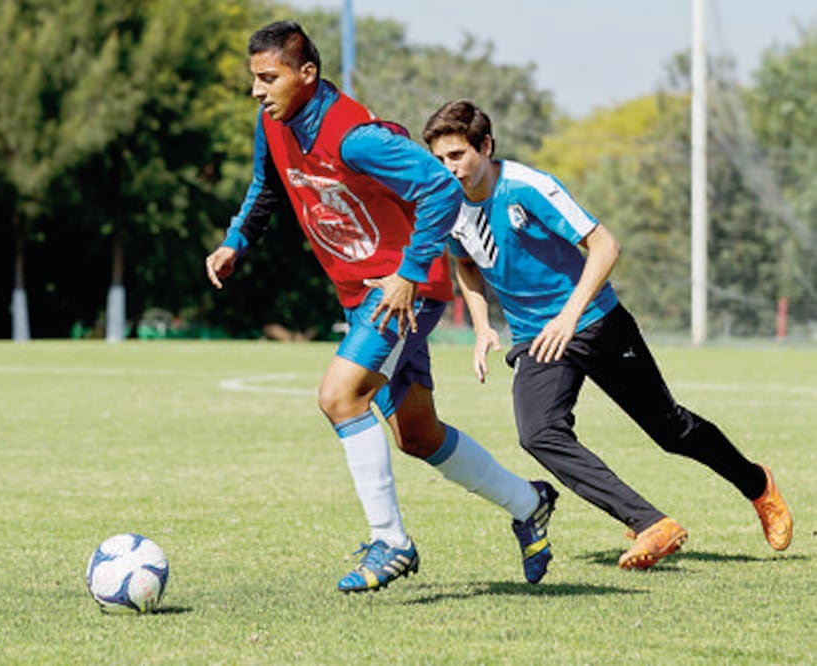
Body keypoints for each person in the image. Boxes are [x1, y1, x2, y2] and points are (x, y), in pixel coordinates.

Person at [205, 22, 558, 592]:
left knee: (339, 396)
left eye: (268, 78)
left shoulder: (355, 136)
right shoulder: (273, 123)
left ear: (306, 74)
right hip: (366, 290)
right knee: (418, 436)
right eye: (254, 79)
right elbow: (265, 187)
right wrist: (234, 242)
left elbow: (441, 190)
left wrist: (409, 274)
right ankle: (528, 503)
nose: (257, 90)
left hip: (401, 288)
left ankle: (390, 540)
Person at [421, 99, 793, 570]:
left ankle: (757, 485)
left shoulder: (528, 187)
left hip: (595, 320)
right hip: (539, 339)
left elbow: (604, 245)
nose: (448, 168)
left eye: (457, 156)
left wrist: (569, 316)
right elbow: (467, 265)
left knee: (670, 430)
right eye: (439, 160)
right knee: (538, 434)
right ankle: (650, 522)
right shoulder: (449, 205)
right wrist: (480, 327)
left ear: (486, 146)